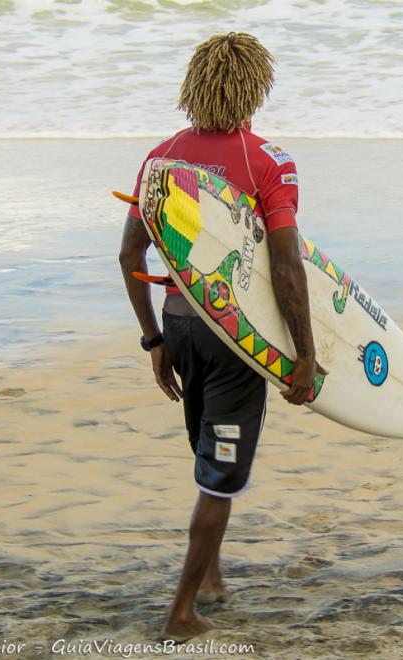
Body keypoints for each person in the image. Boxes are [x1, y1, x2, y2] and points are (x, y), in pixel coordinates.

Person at [117, 32, 322, 641]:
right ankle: (181, 614)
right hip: (234, 342)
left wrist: (154, 339)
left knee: (209, 458)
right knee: (221, 473)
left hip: (180, 325)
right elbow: (285, 267)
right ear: (257, 86)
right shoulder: (268, 161)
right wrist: (305, 356)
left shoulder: (160, 158)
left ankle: (209, 575)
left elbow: (130, 252)